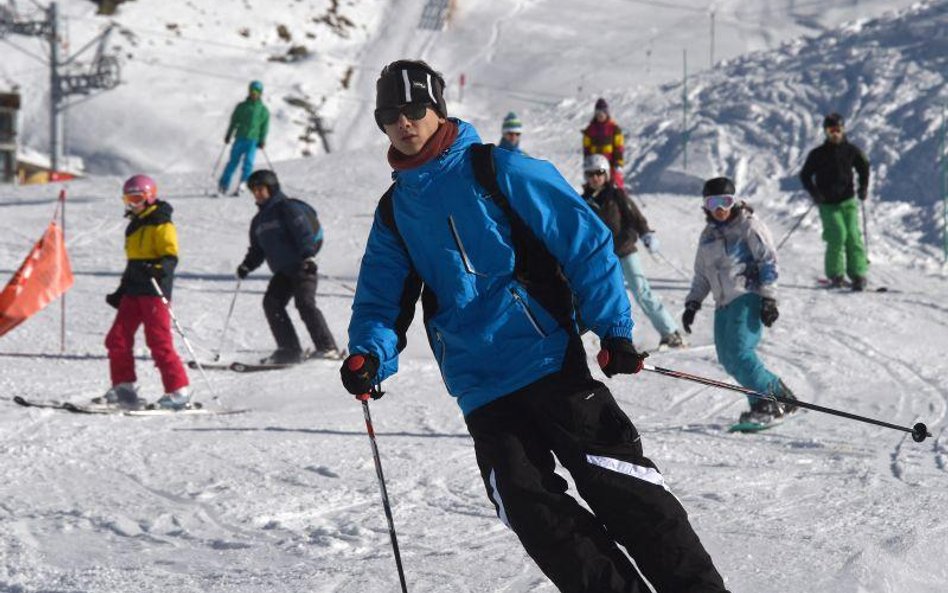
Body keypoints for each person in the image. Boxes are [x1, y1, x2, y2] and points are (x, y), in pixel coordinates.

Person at [340, 59, 729, 593]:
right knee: (534, 514)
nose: (404, 123)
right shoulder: (395, 211)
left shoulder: (496, 168)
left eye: (415, 110)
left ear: (438, 110)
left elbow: (585, 240)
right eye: (391, 115)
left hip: (548, 360)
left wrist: (612, 329)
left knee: (625, 490)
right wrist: (369, 353)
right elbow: (380, 298)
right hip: (481, 386)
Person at [681, 177, 798, 426]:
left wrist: (769, 299)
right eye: (713, 203)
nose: (720, 208)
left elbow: (768, 261)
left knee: (740, 353)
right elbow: (702, 274)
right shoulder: (707, 235)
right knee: (727, 357)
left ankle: (778, 396)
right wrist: (693, 303)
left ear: (734, 200)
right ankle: (759, 403)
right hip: (723, 302)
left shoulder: (748, 226)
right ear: (705, 206)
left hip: (748, 296)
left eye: (725, 201)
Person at [103, 175, 191, 410]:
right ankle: (124, 387)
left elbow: (170, 257)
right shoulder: (135, 225)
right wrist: (121, 290)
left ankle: (178, 391)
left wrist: (157, 269)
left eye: (136, 198)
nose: (131, 203)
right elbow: (133, 262)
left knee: (158, 340)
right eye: (128, 199)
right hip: (134, 289)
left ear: (149, 197)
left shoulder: (161, 222)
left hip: (154, 290)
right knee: (117, 338)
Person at [236, 169, 340, 364]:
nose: (257, 194)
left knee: (305, 303)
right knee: (271, 303)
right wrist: (247, 266)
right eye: (254, 190)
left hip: (302, 266)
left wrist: (309, 256)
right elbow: (257, 250)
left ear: (272, 188)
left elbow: (304, 233)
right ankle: (289, 349)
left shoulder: (287, 208)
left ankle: (327, 348)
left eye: (261, 189)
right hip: (283, 271)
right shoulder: (258, 222)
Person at [581, 154, 684, 350]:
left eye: (599, 173)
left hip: (625, 250)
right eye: (590, 174)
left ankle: (671, 332)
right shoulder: (584, 202)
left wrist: (646, 234)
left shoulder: (616, 195)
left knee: (641, 291)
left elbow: (635, 216)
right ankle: (614, 341)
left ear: (607, 174)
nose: (595, 178)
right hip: (604, 258)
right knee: (607, 298)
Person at [799, 112, 871, 291]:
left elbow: (864, 168)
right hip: (828, 204)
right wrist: (815, 193)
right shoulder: (818, 154)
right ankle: (835, 274)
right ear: (825, 132)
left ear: (843, 129)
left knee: (853, 236)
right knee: (838, 235)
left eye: (838, 129)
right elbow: (805, 175)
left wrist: (863, 188)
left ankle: (858, 274)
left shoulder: (851, 151)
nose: (835, 134)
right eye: (831, 130)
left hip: (848, 202)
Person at [218, 80, 270, 196]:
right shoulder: (242, 107)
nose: (254, 93)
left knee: (248, 163)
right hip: (240, 138)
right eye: (252, 90)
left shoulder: (263, 110)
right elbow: (234, 121)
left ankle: (243, 184)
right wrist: (229, 134)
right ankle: (223, 185)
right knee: (233, 162)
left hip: (253, 140)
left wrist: (262, 140)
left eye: (256, 91)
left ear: (261, 93)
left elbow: (264, 127)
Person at [582, 97, 625, 188]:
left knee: (616, 184)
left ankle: (621, 199)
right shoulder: (590, 130)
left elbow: (619, 148)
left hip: (611, 163)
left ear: (606, 114)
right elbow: (586, 148)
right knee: (593, 183)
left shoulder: (614, 129)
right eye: (598, 114)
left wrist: (618, 163)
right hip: (595, 164)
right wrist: (587, 161)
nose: (600, 116)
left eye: (602, 114)